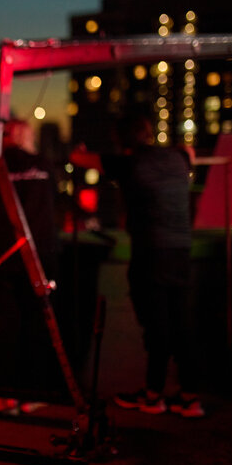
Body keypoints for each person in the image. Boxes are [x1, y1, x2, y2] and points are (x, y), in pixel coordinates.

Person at [70, 113, 204, 418]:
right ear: (148, 133)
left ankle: (153, 394)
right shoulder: (178, 158)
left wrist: (79, 150)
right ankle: (190, 396)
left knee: (156, 326)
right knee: (181, 323)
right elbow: (189, 152)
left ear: (120, 139)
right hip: (180, 250)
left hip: (150, 253)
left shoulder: (127, 164)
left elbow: (78, 158)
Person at [0, 119, 63, 413]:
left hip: (1, 260)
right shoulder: (44, 165)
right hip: (39, 257)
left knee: (4, 329)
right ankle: (33, 392)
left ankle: (8, 393)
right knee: (37, 325)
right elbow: (55, 203)